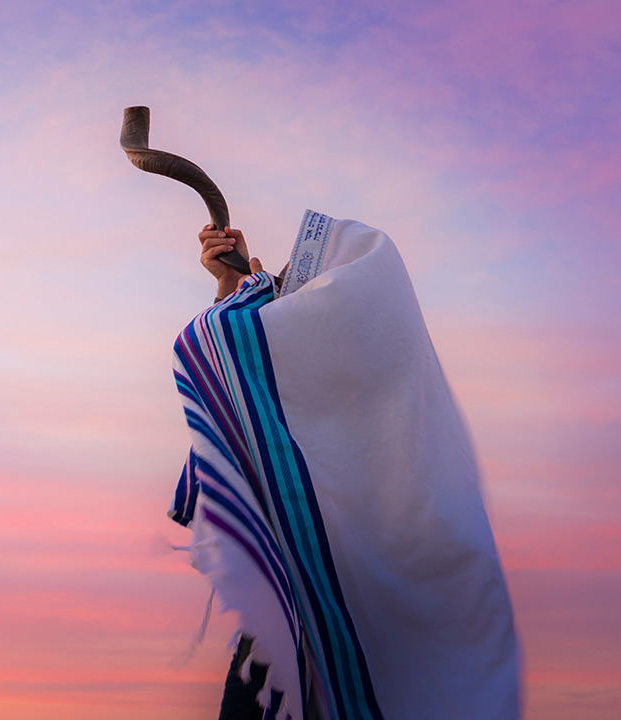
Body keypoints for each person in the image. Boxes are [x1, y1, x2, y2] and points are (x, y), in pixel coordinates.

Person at [172, 215, 520, 720]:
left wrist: (239, 308)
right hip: (294, 641)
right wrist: (231, 288)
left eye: (297, 288)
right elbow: (247, 410)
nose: (278, 295)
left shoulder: (383, 429)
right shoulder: (303, 424)